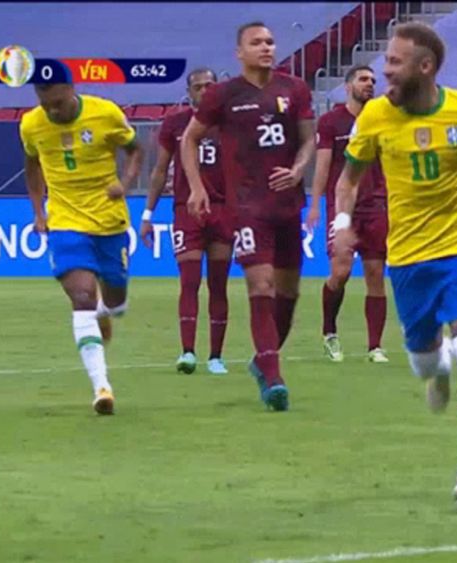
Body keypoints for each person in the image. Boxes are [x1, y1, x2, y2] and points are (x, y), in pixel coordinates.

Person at [333, 22, 457, 510]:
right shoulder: (374, 116)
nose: (385, 72)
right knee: (424, 359)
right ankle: (436, 371)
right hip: (409, 259)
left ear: (425, 67)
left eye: (394, 64)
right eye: (385, 63)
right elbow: (347, 179)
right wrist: (342, 221)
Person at [181, 22, 316, 412]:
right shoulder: (223, 95)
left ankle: (263, 360)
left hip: (287, 205)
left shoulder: (294, 89)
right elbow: (190, 139)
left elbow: (309, 139)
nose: (266, 47)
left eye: (270, 42)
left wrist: (297, 168)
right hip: (246, 208)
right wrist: (198, 188)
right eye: (256, 42)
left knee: (288, 293)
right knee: (261, 286)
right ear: (239, 52)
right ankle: (274, 379)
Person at [20, 83, 142, 415]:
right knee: (82, 298)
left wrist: (126, 184)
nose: (53, 111)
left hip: (109, 221)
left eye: (57, 103)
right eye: (46, 106)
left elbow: (135, 150)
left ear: (71, 91)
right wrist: (38, 212)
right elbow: (32, 165)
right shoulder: (31, 124)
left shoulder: (105, 113)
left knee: (115, 305)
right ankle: (102, 387)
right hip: (65, 223)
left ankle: (107, 310)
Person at [142, 67, 232, 375]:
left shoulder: (231, 124)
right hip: (186, 211)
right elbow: (159, 171)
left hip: (223, 210)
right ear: (189, 92)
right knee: (189, 282)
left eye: (210, 85)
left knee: (218, 285)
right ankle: (188, 352)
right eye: (198, 87)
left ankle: (216, 356)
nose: (205, 91)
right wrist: (147, 215)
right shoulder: (176, 124)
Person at [307, 65, 389, 364]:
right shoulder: (331, 122)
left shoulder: (381, 121)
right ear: (347, 86)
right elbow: (323, 166)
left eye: (373, 81)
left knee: (375, 274)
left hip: (376, 204)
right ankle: (329, 333)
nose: (370, 84)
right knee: (340, 271)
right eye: (363, 79)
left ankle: (375, 346)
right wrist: (315, 204)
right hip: (341, 208)